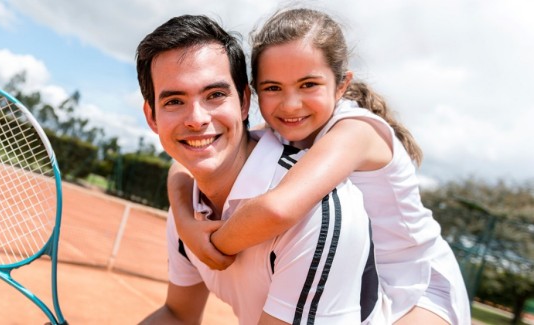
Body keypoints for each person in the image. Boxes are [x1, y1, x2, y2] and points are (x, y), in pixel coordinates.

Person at [168, 8, 471, 325]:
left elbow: (278, 209)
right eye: (273, 88)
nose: (291, 104)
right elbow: (187, 163)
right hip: (360, 283)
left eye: (308, 84)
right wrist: (186, 221)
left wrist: (209, 246)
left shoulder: (356, 132)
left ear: (341, 85)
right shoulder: (281, 129)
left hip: (419, 287)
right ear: (255, 91)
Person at [136, 14, 384, 325]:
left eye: (214, 95)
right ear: (152, 117)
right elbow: (178, 315)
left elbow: (279, 209)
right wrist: (185, 219)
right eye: (174, 101)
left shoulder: (319, 210)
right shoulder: (188, 207)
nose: (196, 119)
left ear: (243, 101)